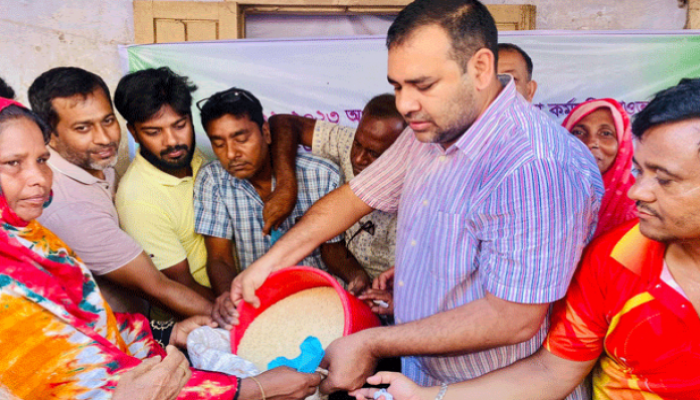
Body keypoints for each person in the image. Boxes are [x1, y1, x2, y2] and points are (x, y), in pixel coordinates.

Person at [230, 0, 602, 396]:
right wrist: (269, 264)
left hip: (485, 386)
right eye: (397, 85)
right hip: (419, 378)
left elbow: (512, 318)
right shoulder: (433, 126)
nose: (405, 104)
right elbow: (356, 197)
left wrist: (371, 343)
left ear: (479, 68)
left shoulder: (533, 166)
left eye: (422, 85)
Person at [350, 78, 700, 400]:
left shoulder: (545, 165)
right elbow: (551, 371)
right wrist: (428, 397)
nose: (638, 191)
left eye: (665, 179)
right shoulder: (614, 259)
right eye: (639, 170)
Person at [0, 98, 321, 400]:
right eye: (13, 163)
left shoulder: (28, 234)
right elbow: (97, 384)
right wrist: (250, 389)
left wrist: (167, 336)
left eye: (42, 160)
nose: (39, 178)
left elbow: (90, 325)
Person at [27, 67, 213, 317]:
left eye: (107, 120)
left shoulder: (93, 161)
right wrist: (242, 326)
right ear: (49, 134)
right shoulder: (71, 209)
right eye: (83, 128)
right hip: (117, 341)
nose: (104, 138)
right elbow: (160, 288)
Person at [194, 87, 371, 328]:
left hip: (322, 302)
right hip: (262, 307)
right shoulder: (212, 180)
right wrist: (227, 295)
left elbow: (333, 249)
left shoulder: (320, 173)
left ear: (265, 133)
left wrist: (355, 276)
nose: (232, 153)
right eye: (219, 144)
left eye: (241, 139)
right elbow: (219, 258)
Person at [266, 94, 406, 314]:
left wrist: (399, 301)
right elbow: (283, 123)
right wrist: (286, 185)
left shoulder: (423, 193)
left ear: (405, 154)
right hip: (348, 288)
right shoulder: (352, 141)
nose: (358, 159)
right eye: (357, 145)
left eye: (373, 154)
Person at [114, 67, 214, 302]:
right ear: (134, 133)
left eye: (179, 125)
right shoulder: (139, 200)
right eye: (153, 131)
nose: (172, 142)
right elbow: (181, 287)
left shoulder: (191, 155)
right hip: (203, 316)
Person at [563, 98, 637, 238]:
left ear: (622, 144)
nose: (591, 143)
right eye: (578, 132)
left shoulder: (641, 208)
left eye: (606, 134)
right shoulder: (544, 198)